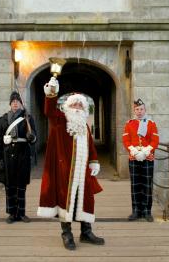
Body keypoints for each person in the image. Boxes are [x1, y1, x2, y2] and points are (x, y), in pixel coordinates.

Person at [37, 76, 105, 250]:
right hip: (64, 171)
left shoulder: (85, 126)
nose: (77, 108)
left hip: (83, 172)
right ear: (68, 106)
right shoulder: (59, 120)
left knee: (86, 199)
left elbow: (91, 145)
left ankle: (86, 232)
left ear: (84, 108)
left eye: (80, 105)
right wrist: (51, 92)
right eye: (74, 104)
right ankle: (66, 234)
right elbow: (49, 110)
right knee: (66, 201)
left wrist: (94, 162)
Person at [0, 91, 37, 224]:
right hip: (8, 156)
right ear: (10, 104)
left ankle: (22, 213)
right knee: (10, 186)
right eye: (13, 102)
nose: (15, 104)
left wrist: (32, 137)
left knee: (21, 185)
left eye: (17, 102)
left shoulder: (28, 118)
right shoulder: (3, 119)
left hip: (23, 155)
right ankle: (12, 214)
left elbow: (34, 138)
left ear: (21, 104)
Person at [122, 98, 159, 222]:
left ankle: (147, 211)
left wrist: (145, 151)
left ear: (145, 110)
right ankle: (136, 211)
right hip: (134, 156)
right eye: (137, 109)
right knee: (135, 184)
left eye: (141, 109)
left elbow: (155, 141)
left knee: (147, 184)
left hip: (147, 157)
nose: (139, 111)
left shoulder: (151, 124)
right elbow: (126, 140)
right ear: (134, 110)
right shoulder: (129, 124)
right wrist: (134, 151)